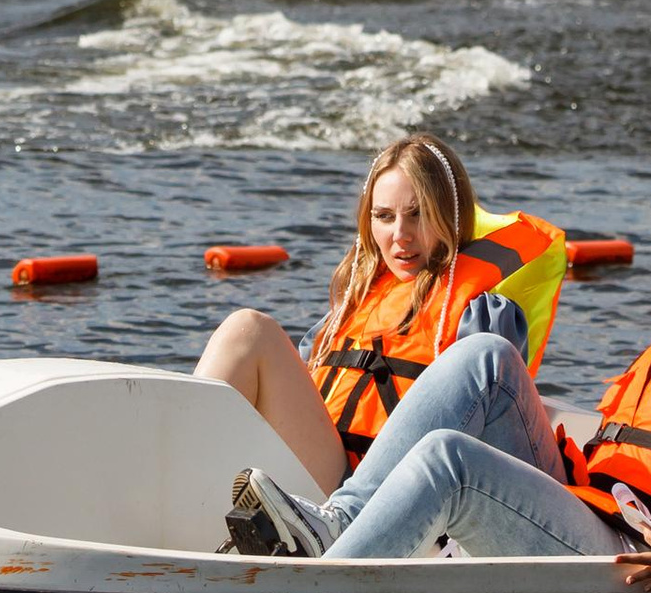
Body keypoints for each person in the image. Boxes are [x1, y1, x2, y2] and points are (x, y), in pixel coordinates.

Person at [225, 201, 651, 583]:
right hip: (598, 509)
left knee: (450, 462)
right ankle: (337, 523)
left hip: (641, 561)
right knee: (486, 356)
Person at [195, 127, 565, 496]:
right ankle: (173, 478)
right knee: (244, 330)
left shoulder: (481, 315)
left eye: (417, 214)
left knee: (252, 328)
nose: (400, 234)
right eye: (384, 216)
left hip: (385, 497)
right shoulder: (354, 303)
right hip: (318, 470)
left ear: (449, 216)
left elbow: (493, 431)